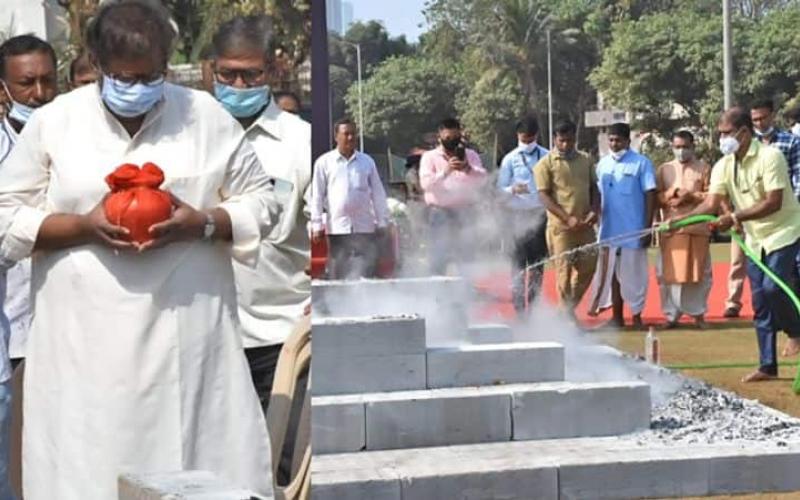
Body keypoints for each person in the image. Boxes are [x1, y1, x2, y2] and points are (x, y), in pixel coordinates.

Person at [0, 1, 278, 498]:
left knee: (196, 469)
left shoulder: (205, 117)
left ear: (167, 68)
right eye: (122, 77)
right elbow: (3, 216)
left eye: (148, 77)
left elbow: (264, 203)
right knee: (87, 475)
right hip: (81, 355)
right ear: (96, 65)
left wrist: (203, 223)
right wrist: (82, 227)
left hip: (189, 351)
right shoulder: (56, 123)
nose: (135, 89)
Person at [210, 16, 311, 422]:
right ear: (210, 69)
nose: (237, 87)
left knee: (281, 468)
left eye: (250, 75)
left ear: (271, 70)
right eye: (227, 74)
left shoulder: (300, 142)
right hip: (208, 334)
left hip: (279, 337)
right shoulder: (190, 136)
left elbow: (327, 235)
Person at [681, 107, 800, 383]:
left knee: (773, 286)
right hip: (755, 237)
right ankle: (767, 366)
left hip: (785, 230)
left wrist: (733, 216)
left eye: (726, 133)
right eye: (720, 133)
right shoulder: (724, 165)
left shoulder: (771, 157)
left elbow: (774, 202)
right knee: (760, 300)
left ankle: (795, 331)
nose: (721, 139)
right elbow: (711, 203)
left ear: (744, 133)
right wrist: (680, 222)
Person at [0, 34, 58, 500]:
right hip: (11, 329)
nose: (38, 94)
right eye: (26, 84)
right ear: (4, 89)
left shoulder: (73, 143)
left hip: (59, 325)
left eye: (46, 82)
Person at [589, 122, 657, 329]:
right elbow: (596, 195)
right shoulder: (602, 165)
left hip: (634, 229)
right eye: (611, 140)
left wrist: (647, 228)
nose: (614, 143)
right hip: (609, 230)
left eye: (618, 140)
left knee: (635, 276)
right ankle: (616, 318)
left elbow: (650, 195)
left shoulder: (641, 163)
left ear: (628, 141)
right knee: (611, 275)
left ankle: (637, 318)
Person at [534, 120, 599, 317]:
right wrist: (566, 218)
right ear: (555, 139)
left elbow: (594, 189)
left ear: (575, 139)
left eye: (570, 140)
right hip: (561, 229)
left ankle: (565, 312)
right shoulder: (544, 164)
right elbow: (544, 196)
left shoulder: (586, 160)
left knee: (589, 268)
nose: (566, 145)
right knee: (564, 273)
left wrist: (594, 211)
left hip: (585, 226)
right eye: (562, 141)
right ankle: (567, 319)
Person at [310, 118, 390, 279]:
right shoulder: (324, 162)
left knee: (367, 268)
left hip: (364, 225)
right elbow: (317, 195)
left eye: (353, 134)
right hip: (338, 226)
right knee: (338, 268)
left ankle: (367, 301)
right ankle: (337, 301)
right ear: (336, 136)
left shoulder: (367, 162)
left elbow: (378, 193)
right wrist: (316, 223)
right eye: (346, 134)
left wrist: (382, 221)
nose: (350, 138)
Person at [656, 130, 711, 329]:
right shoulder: (664, 169)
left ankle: (699, 314)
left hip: (697, 227)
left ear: (692, 146)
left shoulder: (703, 168)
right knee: (668, 275)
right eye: (677, 147)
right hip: (671, 229)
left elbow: (712, 196)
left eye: (685, 147)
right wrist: (673, 193)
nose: (681, 151)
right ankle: (671, 316)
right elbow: (657, 198)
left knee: (700, 274)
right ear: (672, 147)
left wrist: (691, 196)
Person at [419, 117, 487, 275]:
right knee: (438, 256)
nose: (452, 141)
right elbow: (426, 184)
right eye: (447, 138)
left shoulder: (471, 155)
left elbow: (484, 179)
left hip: (466, 212)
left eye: (455, 137)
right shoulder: (429, 157)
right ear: (439, 137)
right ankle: (437, 295)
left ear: (460, 136)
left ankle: (465, 292)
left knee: (467, 257)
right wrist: (445, 172)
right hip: (439, 213)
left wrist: (468, 168)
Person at [497, 115, 549, 314]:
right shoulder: (510, 159)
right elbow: (500, 191)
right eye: (523, 138)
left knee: (537, 264)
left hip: (539, 215)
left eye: (529, 138)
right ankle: (518, 307)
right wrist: (512, 190)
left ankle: (534, 305)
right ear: (517, 135)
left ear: (536, 135)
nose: (526, 143)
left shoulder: (546, 156)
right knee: (518, 263)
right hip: (517, 217)